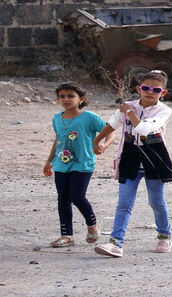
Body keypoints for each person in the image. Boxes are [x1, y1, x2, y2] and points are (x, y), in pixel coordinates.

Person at [93, 70, 172, 257]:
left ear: (163, 93)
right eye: (146, 88)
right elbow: (113, 123)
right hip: (130, 157)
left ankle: (164, 236)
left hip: (153, 157)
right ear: (139, 89)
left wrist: (130, 112)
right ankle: (116, 243)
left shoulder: (164, 110)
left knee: (156, 201)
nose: (150, 92)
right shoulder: (127, 106)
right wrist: (97, 139)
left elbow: (145, 129)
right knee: (124, 202)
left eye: (155, 90)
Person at [43, 82, 107, 248]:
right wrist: (49, 160)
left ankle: (92, 225)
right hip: (61, 164)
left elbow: (110, 130)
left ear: (81, 99)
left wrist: (103, 145)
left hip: (83, 163)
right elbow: (58, 140)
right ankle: (67, 235)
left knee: (77, 196)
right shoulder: (57, 118)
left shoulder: (89, 117)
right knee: (63, 199)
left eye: (71, 96)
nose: (66, 99)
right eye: (62, 96)